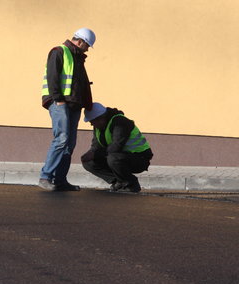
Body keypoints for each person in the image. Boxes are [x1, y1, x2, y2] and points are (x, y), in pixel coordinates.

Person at [38, 28, 95, 191]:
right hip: (60, 103)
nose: (88, 49)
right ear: (80, 41)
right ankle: (45, 177)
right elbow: (53, 76)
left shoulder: (78, 58)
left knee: (69, 144)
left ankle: (60, 180)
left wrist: (85, 104)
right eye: (87, 45)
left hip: (73, 105)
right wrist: (58, 100)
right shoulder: (59, 52)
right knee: (61, 139)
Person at [81, 102, 153, 193]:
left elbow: (116, 146)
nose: (91, 124)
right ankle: (118, 181)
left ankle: (131, 184)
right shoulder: (99, 127)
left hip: (139, 158)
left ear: (101, 118)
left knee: (113, 158)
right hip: (121, 157)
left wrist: (95, 154)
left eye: (92, 121)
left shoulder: (120, 122)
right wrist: (90, 153)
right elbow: (96, 146)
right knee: (88, 162)